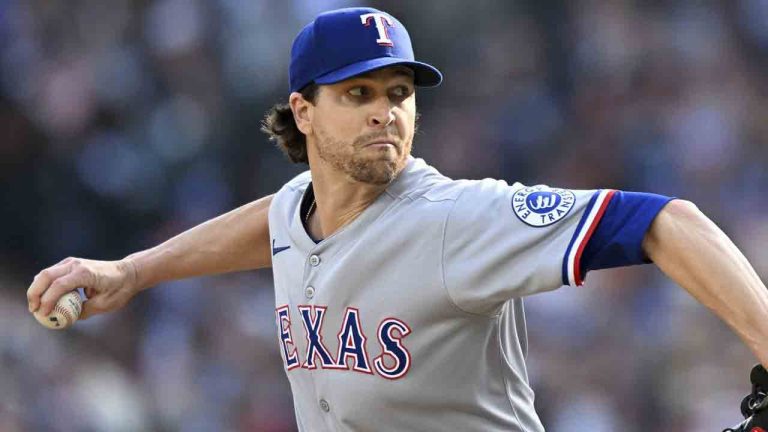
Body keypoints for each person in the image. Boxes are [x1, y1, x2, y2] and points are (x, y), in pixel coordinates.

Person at [26, 7, 768, 431]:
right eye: (358, 95)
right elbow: (276, 222)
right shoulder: (301, 210)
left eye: (399, 92)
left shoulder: (455, 217)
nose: (386, 110)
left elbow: (670, 220)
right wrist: (133, 270)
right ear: (304, 113)